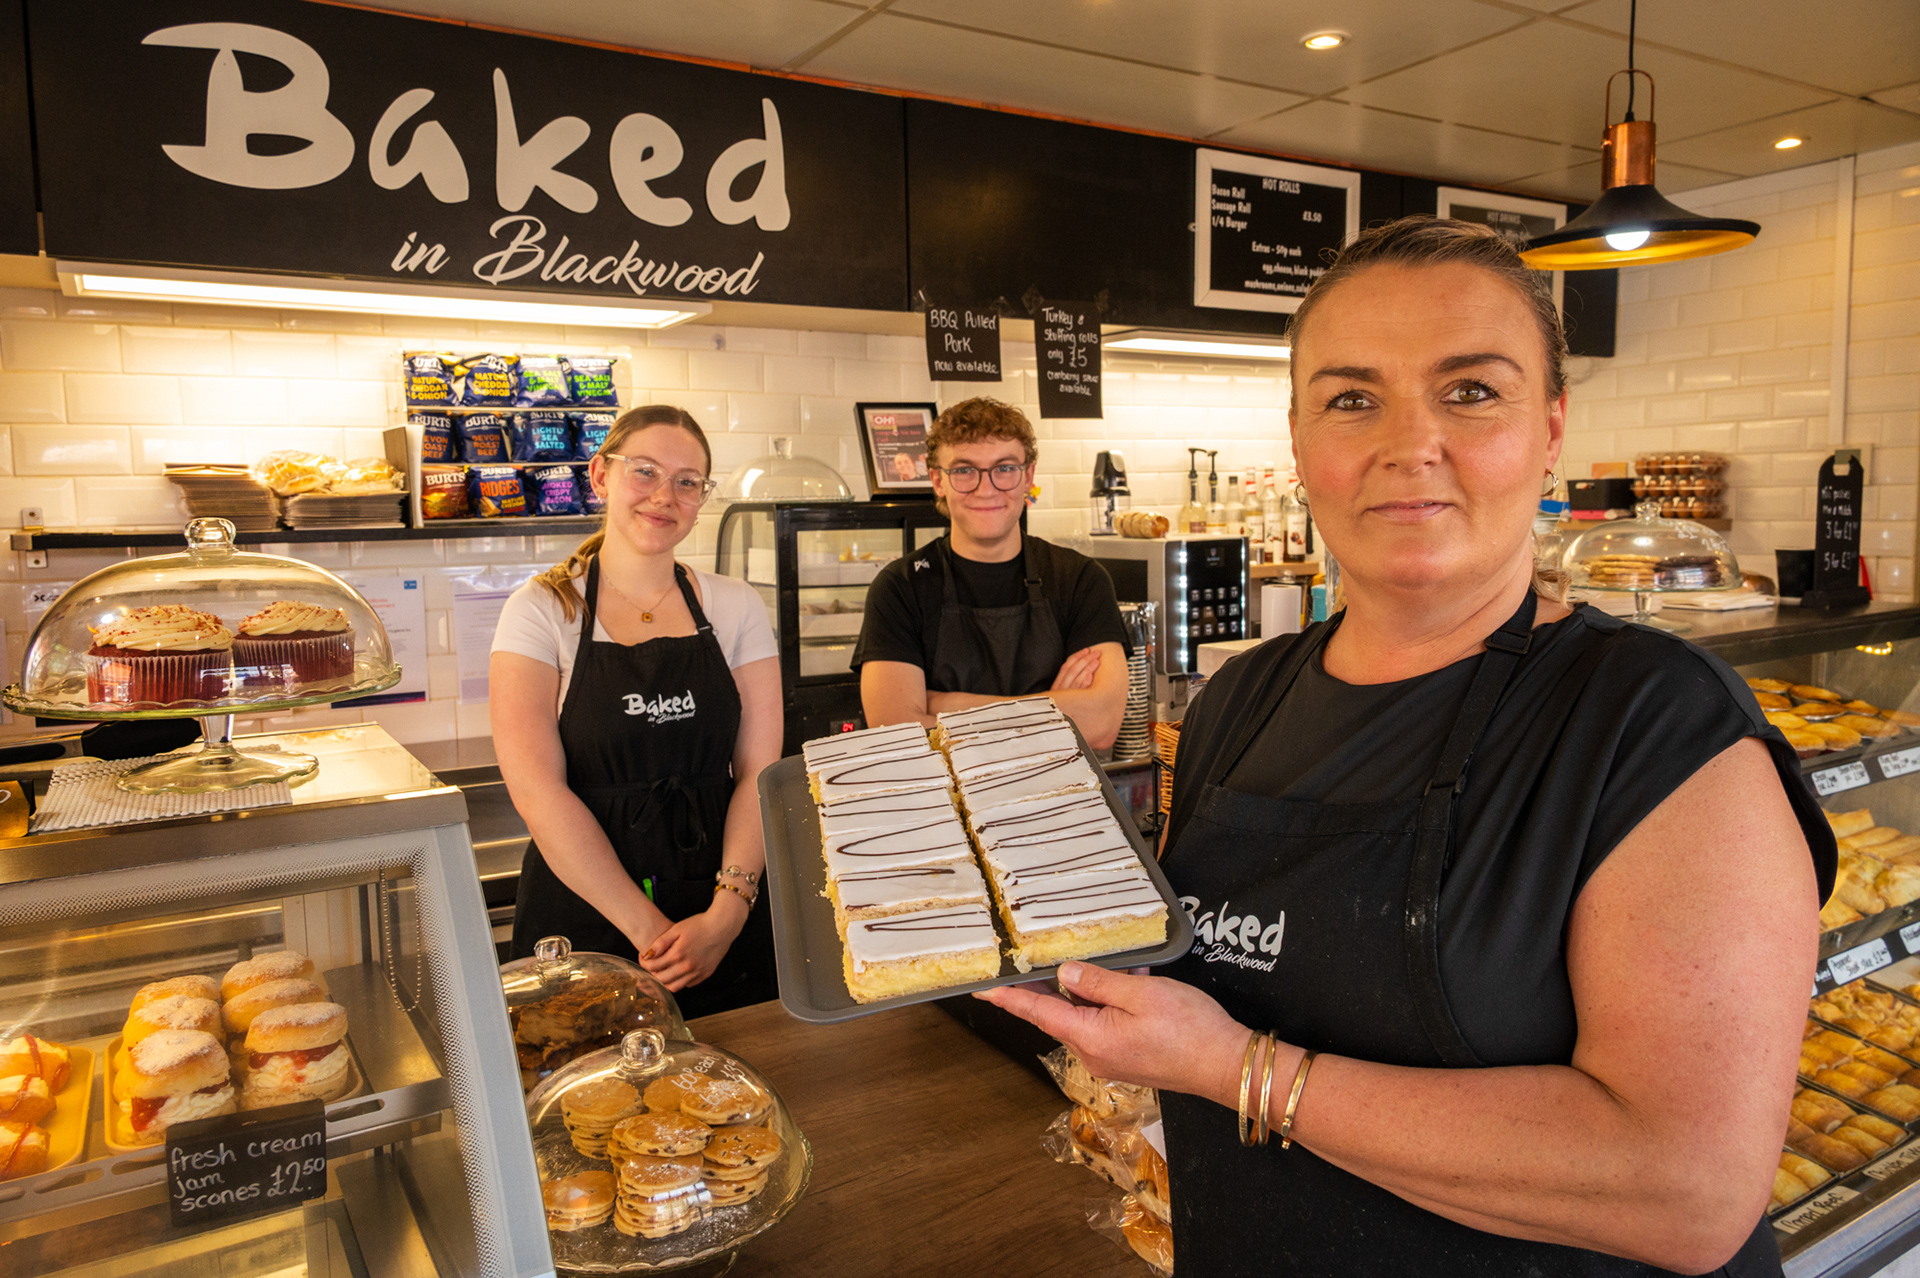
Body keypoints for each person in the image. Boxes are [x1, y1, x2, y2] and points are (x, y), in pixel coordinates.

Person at [980, 218, 1836, 1275]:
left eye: (1471, 391)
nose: (1407, 443)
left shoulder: (1656, 726)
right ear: (1298, 441)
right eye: (1351, 398)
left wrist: (1237, 1069)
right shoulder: (1237, 701)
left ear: (1553, 427)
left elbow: (1685, 1188)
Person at [490, 405, 781, 1018]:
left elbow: (760, 771)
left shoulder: (735, 606)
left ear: (701, 497)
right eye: (644, 472)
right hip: (586, 915)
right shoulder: (543, 610)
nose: (664, 496)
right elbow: (537, 790)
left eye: (686, 482)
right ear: (600, 476)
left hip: (723, 907)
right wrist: (647, 929)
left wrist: (727, 914)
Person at [854, 397, 1131, 749]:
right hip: (945, 803)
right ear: (938, 480)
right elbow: (898, 734)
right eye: (964, 470)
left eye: (1004, 468)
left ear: (1028, 476)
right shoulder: (900, 588)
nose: (986, 489)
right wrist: (1053, 706)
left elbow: (1100, 724)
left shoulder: (1080, 579)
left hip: (1064, 800)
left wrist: (943, 705)